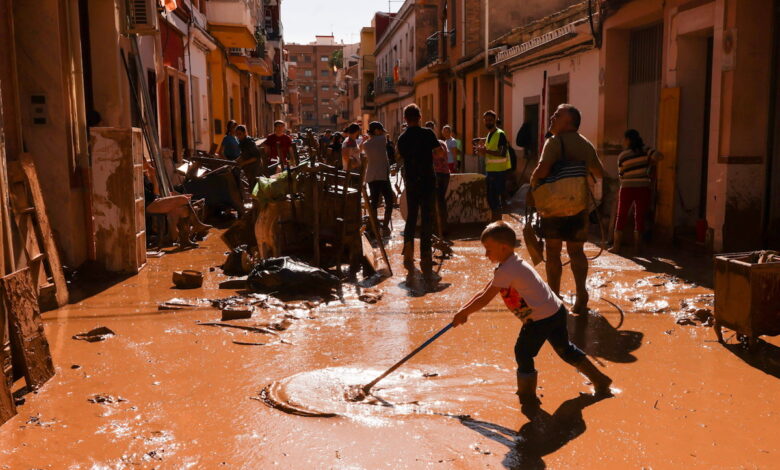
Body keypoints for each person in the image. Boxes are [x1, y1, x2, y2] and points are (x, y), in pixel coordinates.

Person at [451, 221, 612, 412]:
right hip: (555, 310)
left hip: (540, 319)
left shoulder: (507, 270)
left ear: (503, 248)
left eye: (488, 249)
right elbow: (484, 291)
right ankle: (600, 380)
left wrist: (464, 313)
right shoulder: (511, 263)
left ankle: (527, 396)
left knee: (523, 352)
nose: (486, 255)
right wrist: (463, 311)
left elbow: (485, 299)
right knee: (565, 349)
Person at [530, 104, 604, 314]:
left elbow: (543, 169)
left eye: (557, 115)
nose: (552, 117)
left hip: (553, 206)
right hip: (578, 205)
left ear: (569, 122)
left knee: (553, 252)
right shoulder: (585, 144)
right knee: (576, 251)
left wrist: (532, 186)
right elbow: (599, 172)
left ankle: (553, 298)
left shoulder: (553, 142)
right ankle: (581, 296)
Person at [396, 104, 446, 284]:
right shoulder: (428, 134)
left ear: (405, 118)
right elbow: (439, 154)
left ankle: (408, 255)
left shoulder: (402, 138)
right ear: (420, 116)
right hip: (427, 181)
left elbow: (398, 157)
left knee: (411, 217)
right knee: (427, 217)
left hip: (411, 181)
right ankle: (425, 256)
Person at [611, 129, 662, 254]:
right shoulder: (646, 150)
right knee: (639, 216)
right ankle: (637, 248)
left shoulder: (622, 156)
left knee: (621, 215)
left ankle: (616, 247)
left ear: (628, 140)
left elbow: (621, 174)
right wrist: (650, 163)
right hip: (643, 187)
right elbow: (659, 156)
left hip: (627, 187)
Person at [476, 111, 511, 221]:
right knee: (492, 199)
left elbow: (502, 152)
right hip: (491, 170)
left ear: (495, 120)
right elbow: (488, 152)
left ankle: (497, 225)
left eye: (490, 120)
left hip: (499, 172)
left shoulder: (500, 134)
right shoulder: (489, 134)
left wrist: (486, 151)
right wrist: (481, 151)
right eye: (486, 120)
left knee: (495, 199)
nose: (488, 122)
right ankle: (496, 224)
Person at [362, 121, 394, 234]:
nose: (383, 132)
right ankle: (385, 226)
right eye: (380, 130)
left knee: (374, 202)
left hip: (371, 176)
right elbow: (384, 136)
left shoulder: (365, 144)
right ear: (376, 131)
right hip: (382, 176)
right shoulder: (382, 139)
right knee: (389, 201)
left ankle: (374, 225)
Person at [425, 121, 451, 236]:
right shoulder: (441, 142)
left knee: (437, 201)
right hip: (443, 174)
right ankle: (441, 227)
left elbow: (441, 155)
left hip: (438, 175)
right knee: (440, 201)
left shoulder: (438, 143)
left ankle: (439, 228)